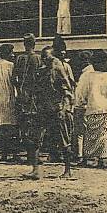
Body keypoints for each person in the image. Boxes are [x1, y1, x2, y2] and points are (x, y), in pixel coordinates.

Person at [28, 46, 74, 179]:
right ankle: (36, 169)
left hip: (57, 109)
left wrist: (63, 108)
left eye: (47, 57)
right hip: (43, 109)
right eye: (43, 57)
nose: (44, 59)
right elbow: (36, 91)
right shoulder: (41, 72)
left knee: (64, 140)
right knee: (35, 139)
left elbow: (67, 92)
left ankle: (68, 170)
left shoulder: (59, 70)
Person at [73, 50, 107, 169]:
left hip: (92, 108)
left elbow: (81, 93)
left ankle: (87, 158)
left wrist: (81, 104)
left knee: (89, 134)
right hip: (106, 108)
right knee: (103, 135)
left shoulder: (87, 76)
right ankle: (101, 160)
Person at [0, 43, 18, 162]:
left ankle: (4, 155)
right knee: (11, 128)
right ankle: (14, 154)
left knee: (1, 129)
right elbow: (15, 82)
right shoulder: (10, 65)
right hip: (8, 99)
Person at [14, 33, 41, 159]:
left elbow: (14, 78)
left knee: (24, 125)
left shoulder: (20, 58)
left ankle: (30, 154)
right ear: (34, 44)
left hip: (23, 95)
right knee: (35, 125)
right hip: (35, 96)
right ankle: (33, 155)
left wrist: (19, 90)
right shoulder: (38, 58)